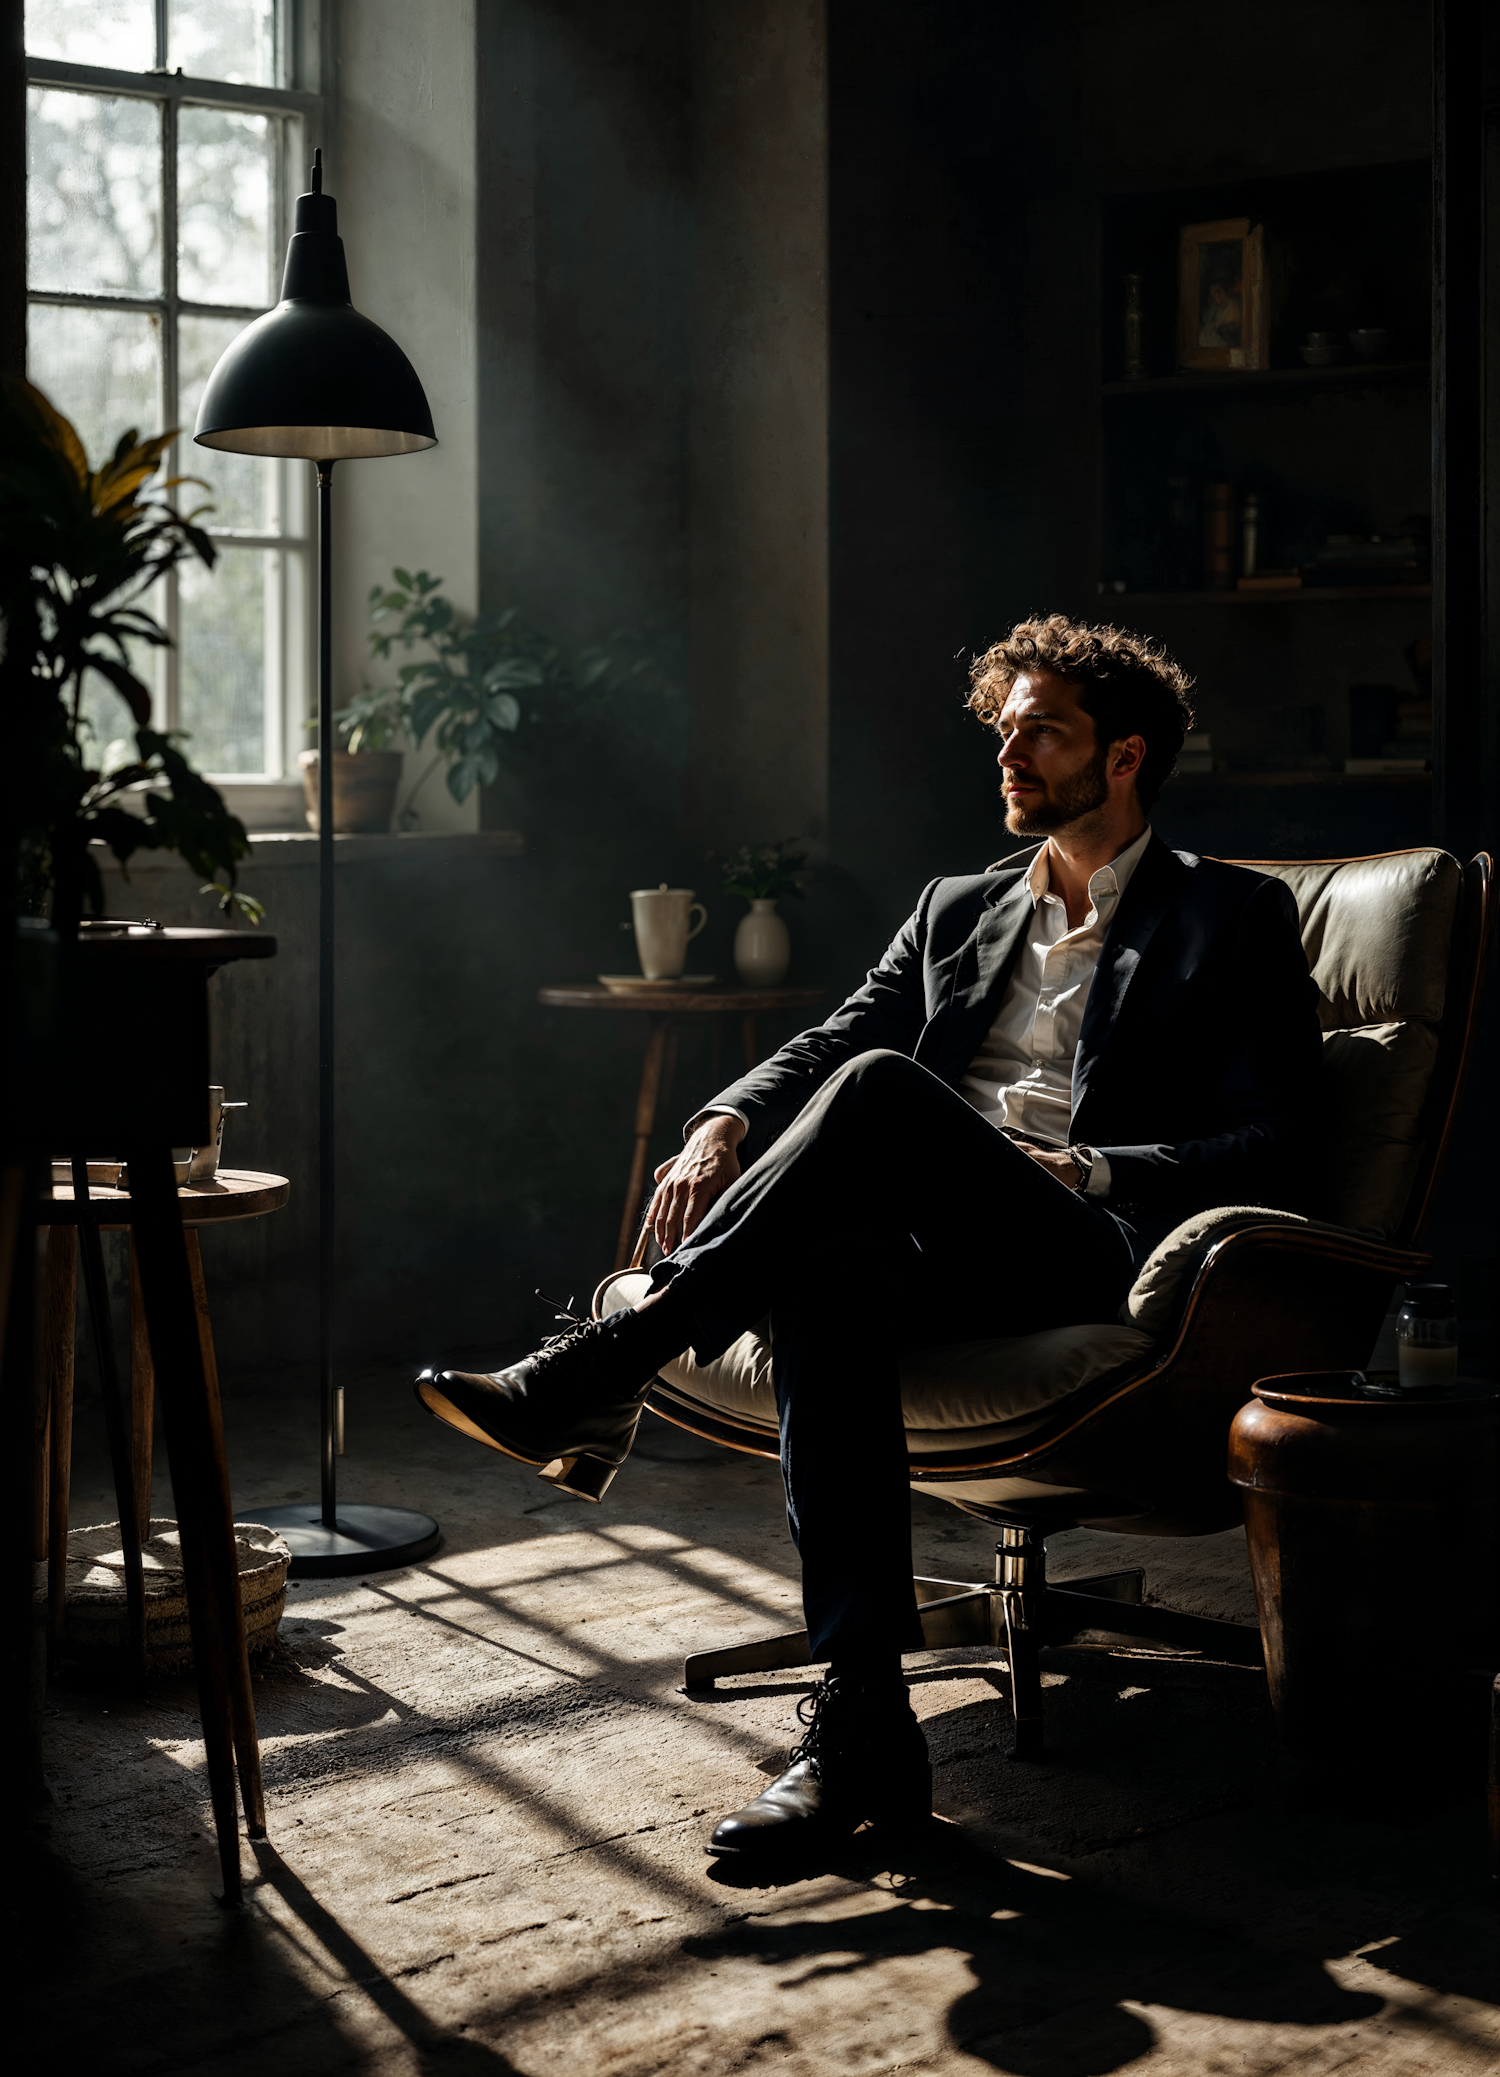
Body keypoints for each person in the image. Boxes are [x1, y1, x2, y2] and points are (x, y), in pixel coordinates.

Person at [416, 614, 1321, 1863]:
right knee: (834, 1264)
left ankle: (602, 1363)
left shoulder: (1233, 916)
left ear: (1124, 757)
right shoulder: (957, 907)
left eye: (1041, 731)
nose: (1008, 753)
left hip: (1086, 1241)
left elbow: (1284, 1141)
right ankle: (868, 1732)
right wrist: (724, 1119)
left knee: (889, 1091)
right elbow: (838, 1033)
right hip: (921, 1239)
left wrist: (1093, 1162)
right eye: (1003, 731)